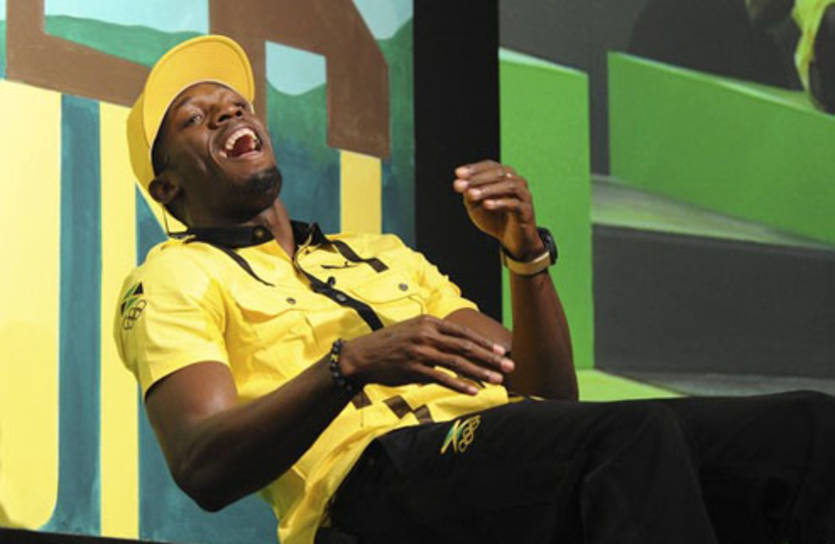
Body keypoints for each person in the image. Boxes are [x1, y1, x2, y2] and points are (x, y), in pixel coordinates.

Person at [116, 35, 835, 544]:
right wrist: (349, 365)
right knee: (632, 442)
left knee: (801, 432)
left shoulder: (380, 254)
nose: (228, 113)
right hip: (368, 486)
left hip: (493, 446)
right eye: (193, 118)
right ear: (168, 187)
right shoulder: (175, 274)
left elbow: (546, 393)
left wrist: (524, 255)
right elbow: (203, 464)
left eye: (235, 103)